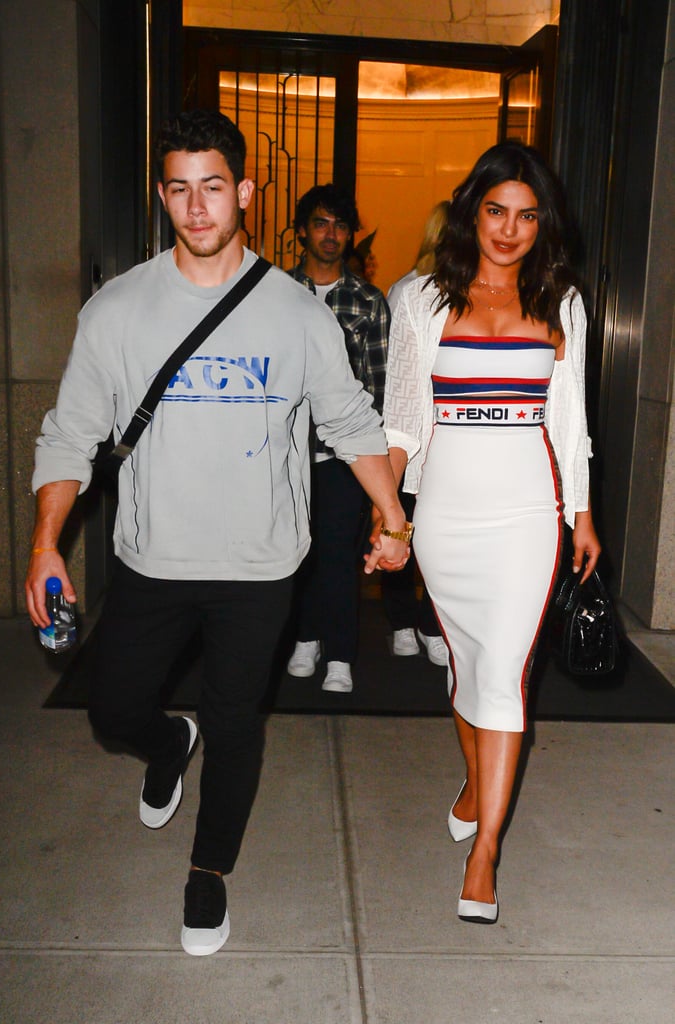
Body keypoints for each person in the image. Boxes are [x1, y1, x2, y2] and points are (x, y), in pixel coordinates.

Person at [25, 110, 410, 957]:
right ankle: (169, 744)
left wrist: (391, 515)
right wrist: (46, 542)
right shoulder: (117, 309)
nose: (196, 209)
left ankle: (209, 874)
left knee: (238, 719)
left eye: (212, 187)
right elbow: (70, 433)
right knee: (115, 708)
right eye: (178, 190)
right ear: (163, 196)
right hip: (154, 561)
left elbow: (350, 421)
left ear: (242, 190)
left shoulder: (295, 313)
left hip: (260, 565)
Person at [380, 141, 601, 923]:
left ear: (543, 224)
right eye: (496, 211)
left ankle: (484, 856)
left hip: (524, 518)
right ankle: (475, 781)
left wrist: (580, 511)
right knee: (467, 664)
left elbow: (569, 421)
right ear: (472, 212)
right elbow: (402, 415)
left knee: (505, 672)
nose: (509, 230)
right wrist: (390, 513)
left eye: (526, 215)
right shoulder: (418, 298)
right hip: (445, 516)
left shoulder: (562, 303)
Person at [286, 184, 390, 693]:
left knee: (337, 553)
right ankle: (305, 637)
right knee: (295, 551)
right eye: (322, 223)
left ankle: (341, 655)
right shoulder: (274, 293)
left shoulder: (368, 300)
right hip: (283, 453)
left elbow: (378, 386)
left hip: (343, 454)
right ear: (302, 230)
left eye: (341, 225)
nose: (331, 235)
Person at [382, 201, 451, 665]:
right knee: (397, 530)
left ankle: (431, 623)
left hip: (448, 449)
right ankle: (402, 622)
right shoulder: (406, 291)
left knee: (439, 543)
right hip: (405, 441)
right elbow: (394, 375)